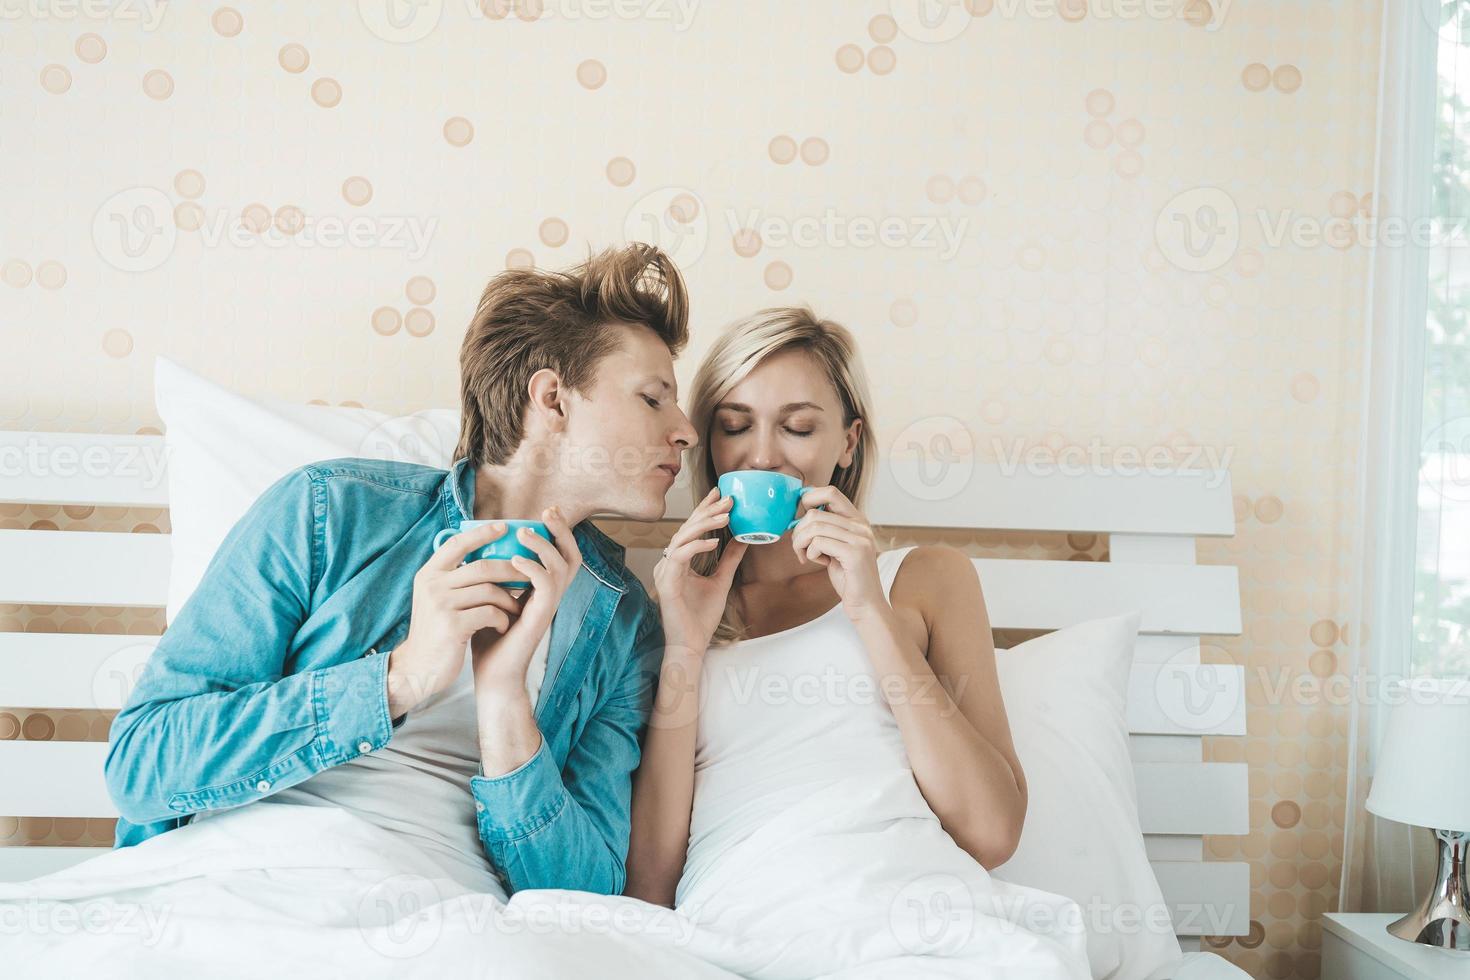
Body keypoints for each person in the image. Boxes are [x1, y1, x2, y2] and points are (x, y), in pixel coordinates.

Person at [104, 243, 699, 900]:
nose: (685, 431)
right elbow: (142, 766)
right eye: (653, 398)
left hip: (444, 919)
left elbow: (585, 891)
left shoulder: (621, 624)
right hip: (240, 885)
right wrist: (400, 679)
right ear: (552, 398)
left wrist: (505, 701)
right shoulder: (330, 511)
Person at [625, 305, 1031, 914]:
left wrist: (868, 609)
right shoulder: (672, 609)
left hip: (914, 908)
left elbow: (992, 833)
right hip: (741, 918)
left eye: (797, 427)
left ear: (847, 442)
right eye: (735, 425)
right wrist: (684, 647)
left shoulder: (925, 580)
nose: (760, 457)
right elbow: (650, 888)